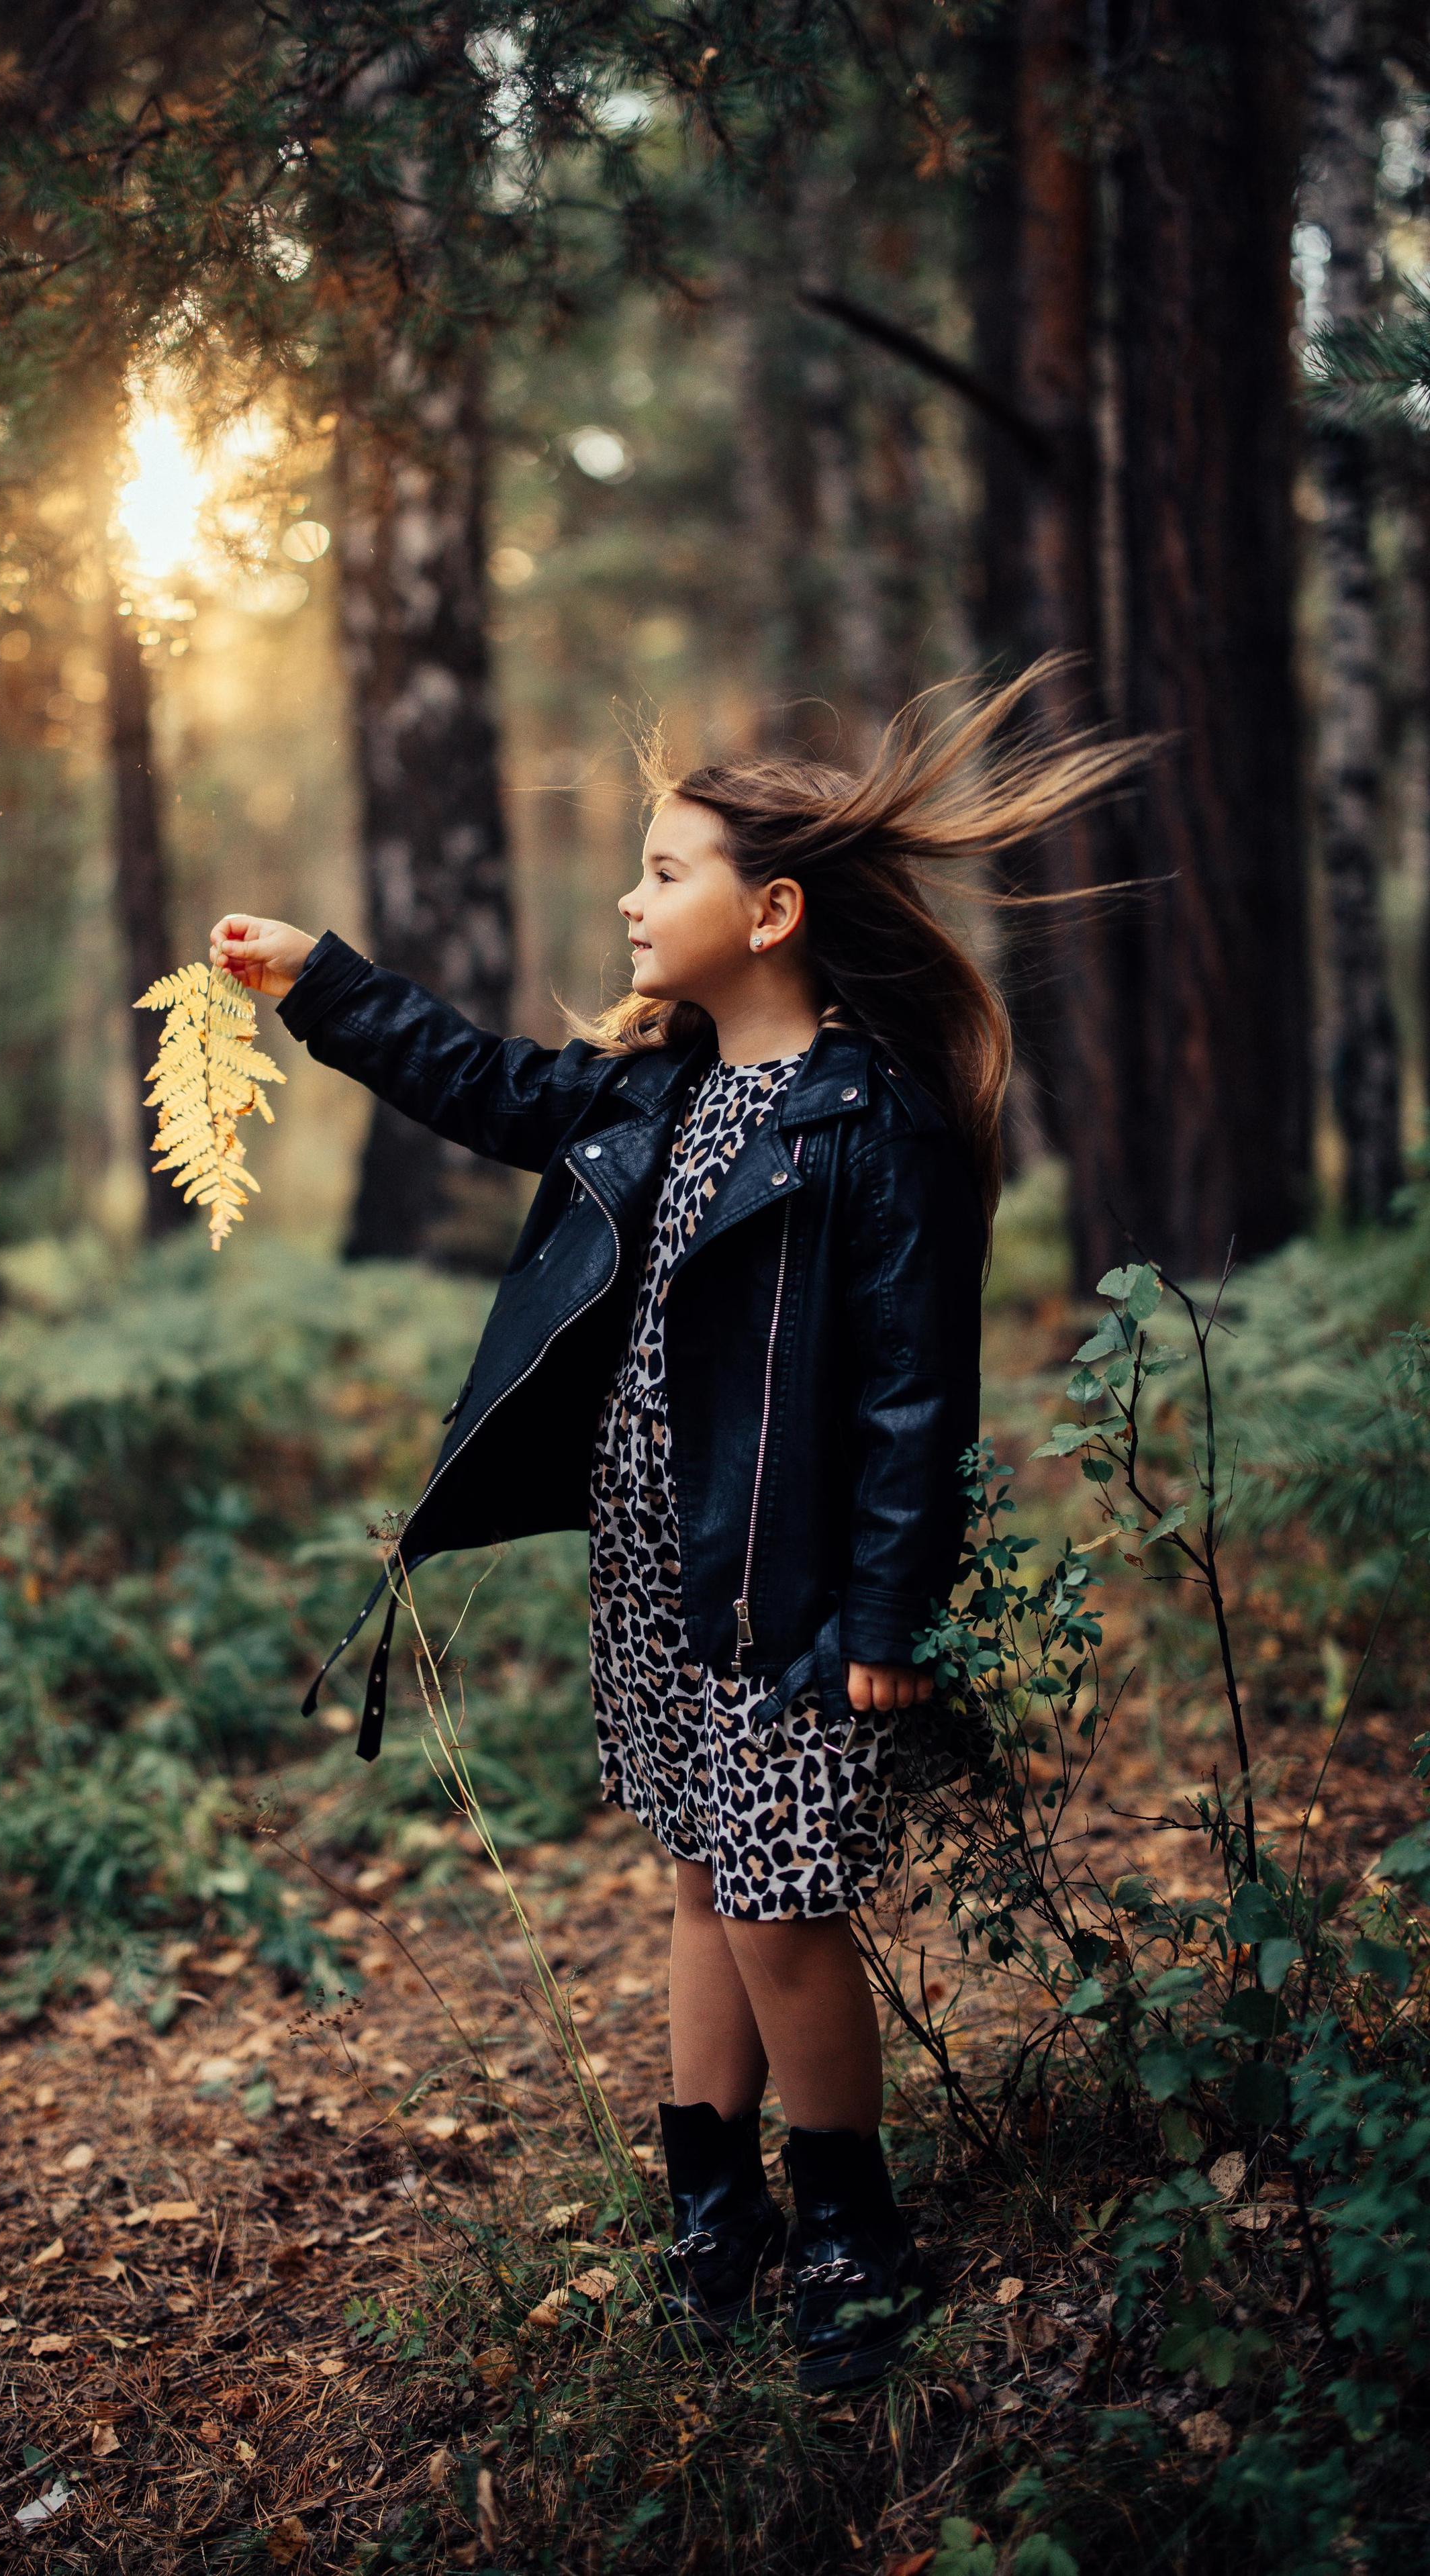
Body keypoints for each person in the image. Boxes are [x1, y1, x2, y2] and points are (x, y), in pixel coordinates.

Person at [210, 657, 1149, 2391]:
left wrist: (885, 1617)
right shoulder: (654, 1091)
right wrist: (321, 985)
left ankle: (854, 2231)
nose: (633, 904)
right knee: (705, 1880)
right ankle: (713, 2201)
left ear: (771, 909)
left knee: (786, 1909)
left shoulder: (875, 1128)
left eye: (664, 872)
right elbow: (482, 1082)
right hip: (654, 1572)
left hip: (788, 1598)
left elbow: (912, 1401)